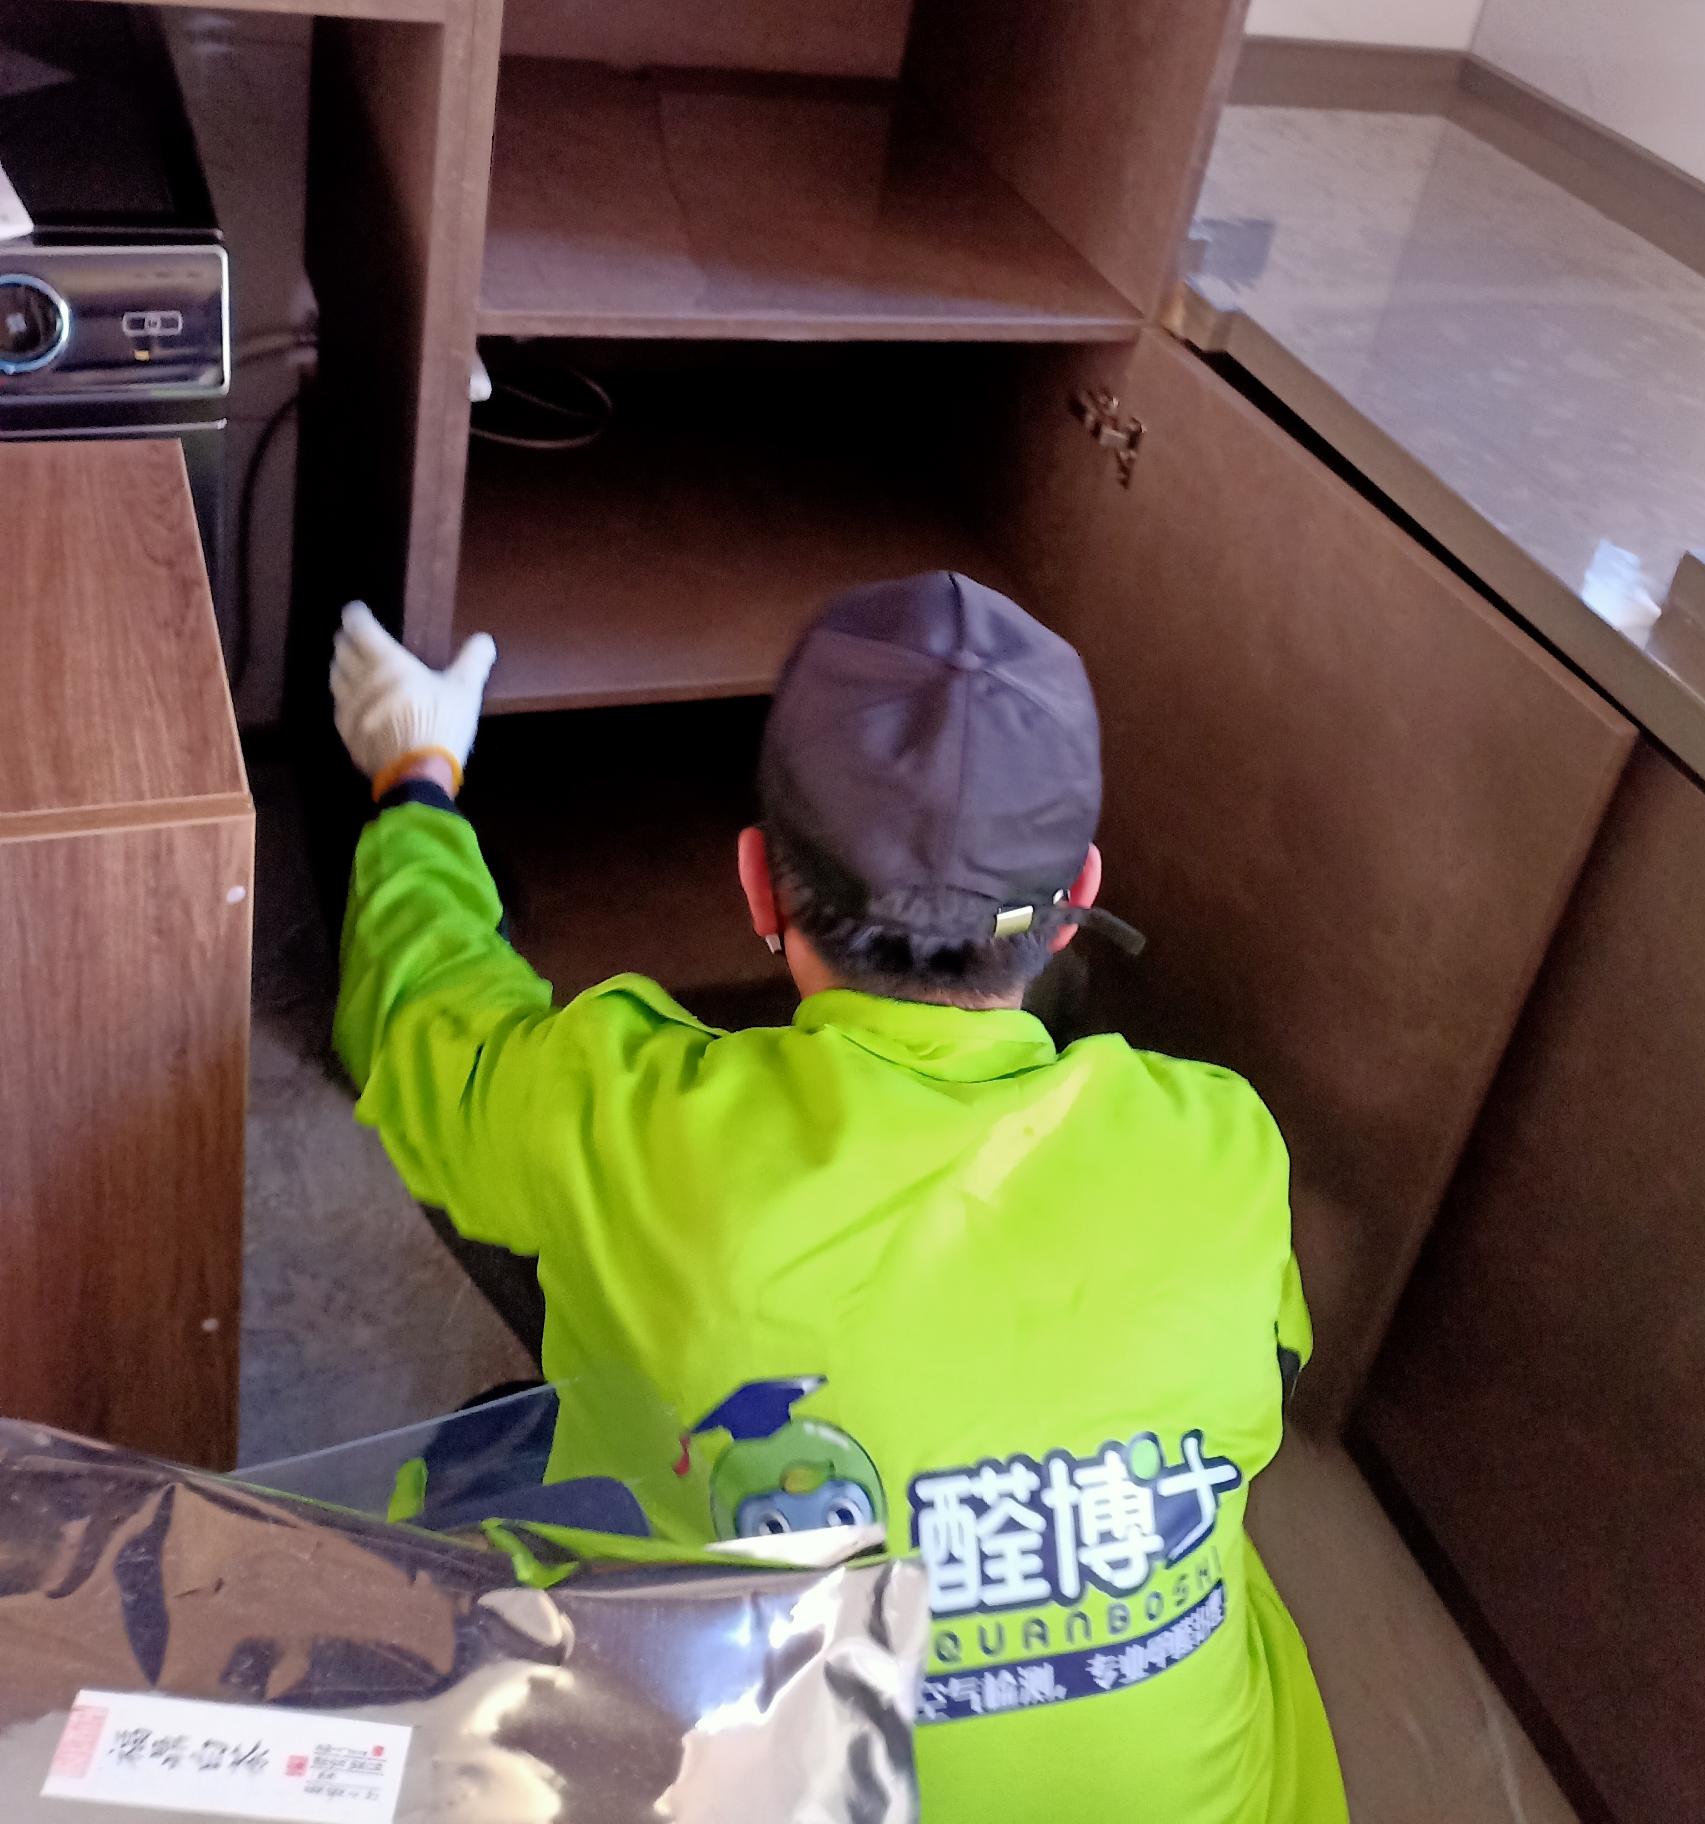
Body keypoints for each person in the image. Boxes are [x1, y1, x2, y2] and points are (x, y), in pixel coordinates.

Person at [330, 571, 1347, 1824]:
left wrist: (417, 772)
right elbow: (1271, 1368)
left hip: (752, 1786)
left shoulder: (632, 1125)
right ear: (1074, 902)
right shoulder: (1222, 1146)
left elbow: (423, 1019)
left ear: (759, 883)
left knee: (487, 1454)